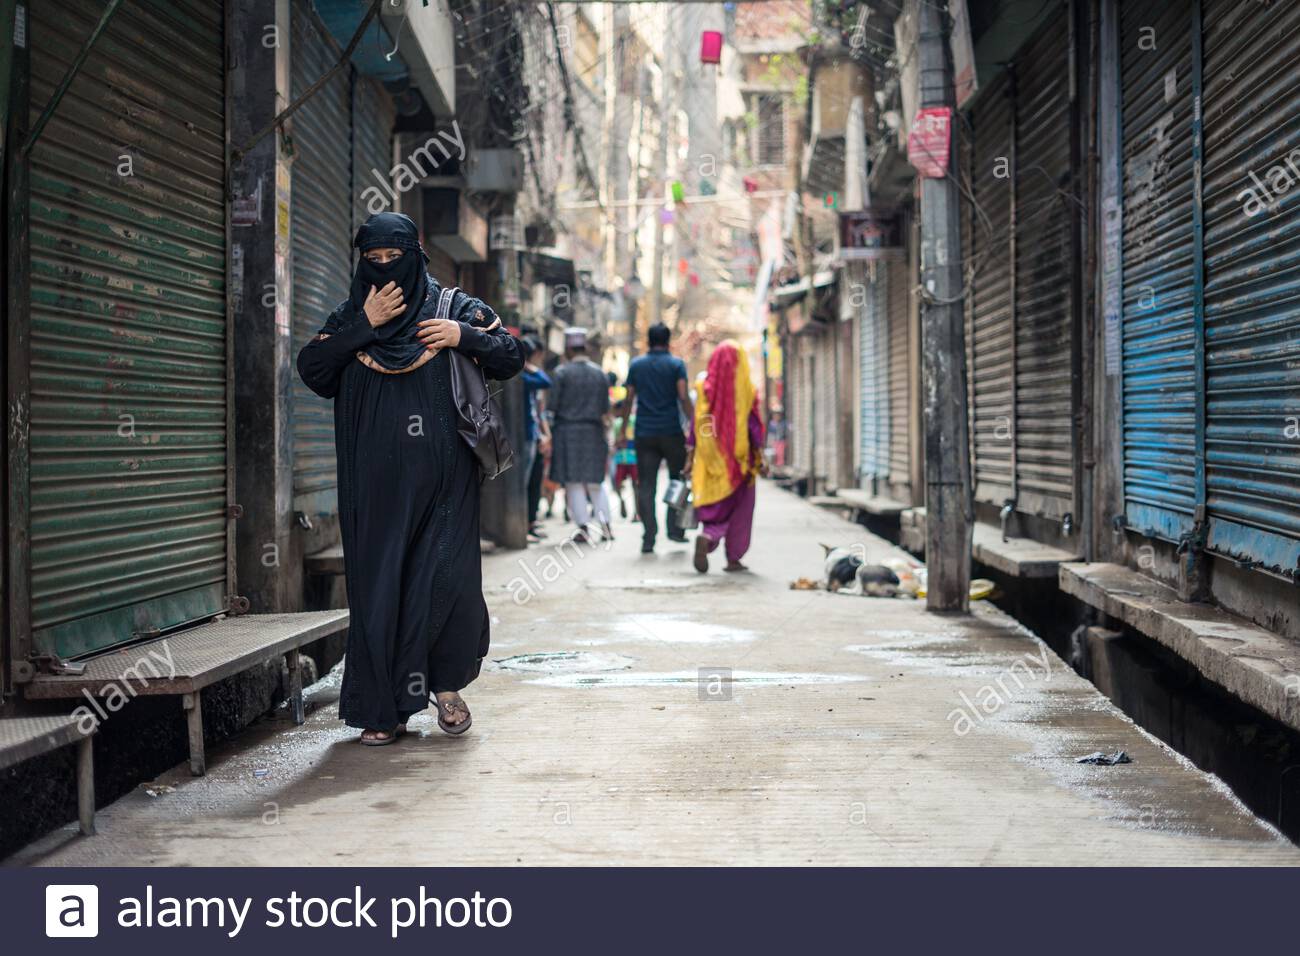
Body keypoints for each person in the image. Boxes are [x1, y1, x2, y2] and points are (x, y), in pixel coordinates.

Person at [296, 212, 524, 745]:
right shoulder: (354, 313)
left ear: (416, 256)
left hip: (446, 484)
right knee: (380, 589)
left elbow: (511, 355)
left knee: (445, 581)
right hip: (372, 486)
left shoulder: (454, 307)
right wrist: (364, 326)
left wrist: (461, 335)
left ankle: (445, 689)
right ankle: (385, 710)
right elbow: (313, 370)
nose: (383, 270)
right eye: (371, 262)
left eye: (392, 259)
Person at [687, 340, 765, 574]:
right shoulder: (747, 392)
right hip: (740, 462)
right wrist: (760, 455)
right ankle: (733, 558)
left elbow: (696, 425)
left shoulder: (703, 390)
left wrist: (690, 454)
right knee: (740, 510)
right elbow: (753, 428)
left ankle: (708, 535)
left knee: (717, 506)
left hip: (711, 459)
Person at [625, 323, 693, 553]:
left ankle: (649, 536)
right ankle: (675, 529)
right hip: (671, 431)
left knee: (646, 485)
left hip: (645, 433)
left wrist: (624, 428)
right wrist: (693, 425)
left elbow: (629, 398)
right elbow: (683, 396)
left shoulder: (637, 365)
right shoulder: (676, 365)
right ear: (668, 341)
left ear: (648, 341)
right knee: (678, 480)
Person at [548, 328, 613, 543]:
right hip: (594, 432)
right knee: (596, 481)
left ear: (568, 349)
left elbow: (553, 406)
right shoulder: (600, 373)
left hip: (567, 433)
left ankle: (584, 529)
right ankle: (606, 527)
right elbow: (605, 408)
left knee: (574, 482)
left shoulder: (561, 373)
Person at [521, 337, 553, 542]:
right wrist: (527, 366)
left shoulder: (525, 376)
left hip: (533, 435)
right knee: (524, 482)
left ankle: (530, 523)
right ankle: (523, 526)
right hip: (523, 436)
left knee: (533, 481)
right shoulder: (520, 377)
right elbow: (545, 380)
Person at [610, 400, 639, 520]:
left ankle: (634, 510)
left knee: (627, 485)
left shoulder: (629, 421)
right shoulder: (620, 423)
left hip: (627, 459)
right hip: (626, 458)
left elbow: (616, 442)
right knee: (631, 485)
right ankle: (633, 510)